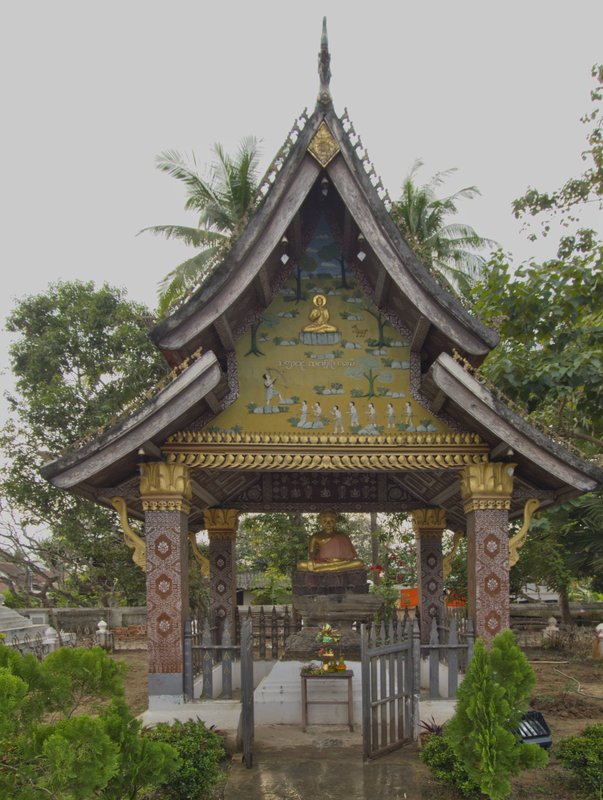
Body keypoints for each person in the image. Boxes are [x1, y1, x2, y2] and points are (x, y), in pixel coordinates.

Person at [297, 509, 364, 573]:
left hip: (341, 562)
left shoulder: (342, 535)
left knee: (359, 563)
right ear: (320, 521)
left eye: (331, 521)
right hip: (323, 562)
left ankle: (326, 569)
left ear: (335, 522)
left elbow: (350, 557)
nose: (328, 523)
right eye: (325, 521)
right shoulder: (315, 536)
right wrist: (311, 560)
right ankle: (334, 568)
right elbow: (311, 552)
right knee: (301, 564)